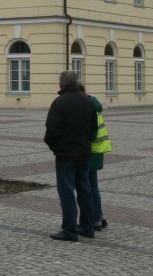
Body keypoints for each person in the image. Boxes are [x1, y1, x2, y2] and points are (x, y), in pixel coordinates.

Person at [44, 70, 98, 241]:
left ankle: (69, 230)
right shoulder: (88, 102)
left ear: (61, 85)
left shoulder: (59, 103)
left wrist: (55, 148)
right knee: (85, 190)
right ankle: (88, 227)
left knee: (66, 192)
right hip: (84, 153)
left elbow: (51, 132)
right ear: (76, 83)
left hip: (66, 155)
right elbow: (94, 128)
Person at [81, 84, 112, 232]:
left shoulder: (89, 109)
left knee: (89, 187)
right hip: (97, 152)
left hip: (90, 152)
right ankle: (99, 216)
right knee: (93, 186)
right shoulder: (95, 106)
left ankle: (95, 219)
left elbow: (90, 134)